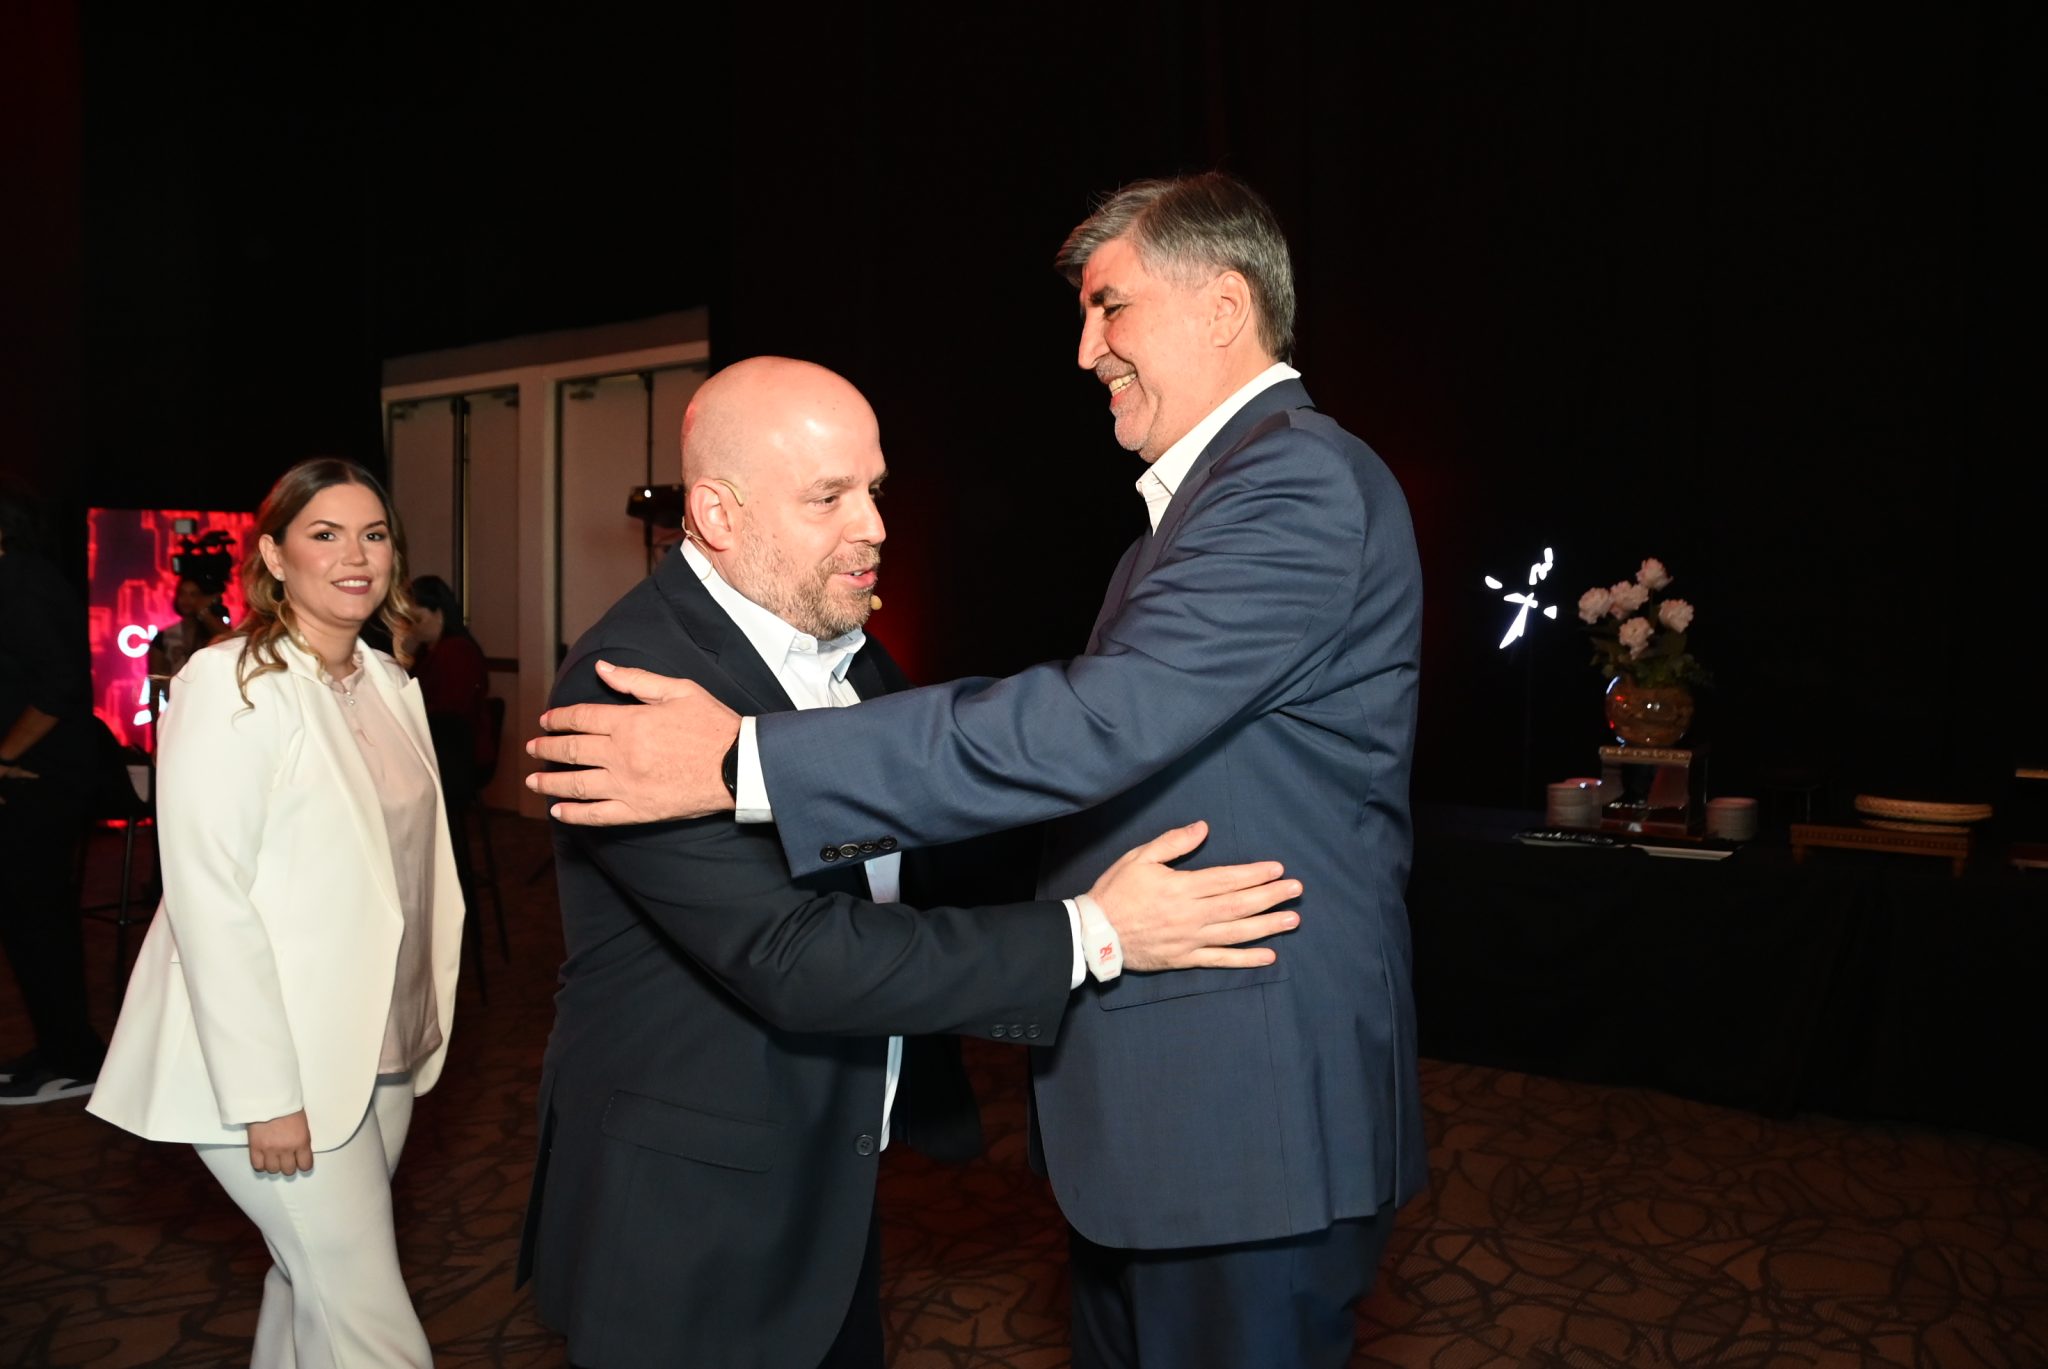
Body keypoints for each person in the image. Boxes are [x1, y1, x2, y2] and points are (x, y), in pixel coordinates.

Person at [527, 173, 1427, 1368]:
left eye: (1109, 306)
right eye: (829, 496)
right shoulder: (635, 693)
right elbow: (808, 945)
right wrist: (1091, 933)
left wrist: (746, 760)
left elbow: (1089, 730)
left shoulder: (1287, 483)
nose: (1084, 349)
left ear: (1222, 307)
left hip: (1238, 1119)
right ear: (719, 514)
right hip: (704, 1223)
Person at [88, 458, 466, 1367]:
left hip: (381, 1043)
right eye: (324, 534)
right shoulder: (232, 683)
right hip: (273, 1067)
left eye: (373, 534)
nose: (355, 556)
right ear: (273, 555)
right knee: (370, 1322)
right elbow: (209, 897)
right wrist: (267, 1097)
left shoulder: (389, 681)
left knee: (310, 1282)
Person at [0, 491, 108, 1105]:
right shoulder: (19, 577)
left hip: (39, 777)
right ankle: (57, 1047)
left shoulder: (21, 579)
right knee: (27, 918)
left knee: (38, 918)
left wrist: (4, 755)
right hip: (31, 775)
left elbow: (59, 684)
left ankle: (74, 1056)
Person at [145, 570, 230, 713]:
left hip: (210, 705)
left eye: (193, 595)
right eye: (182, 593)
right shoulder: (164, 637)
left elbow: (232, 639)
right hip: (177, 707)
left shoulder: (213, 632)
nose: (186, 600)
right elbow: (155, 683)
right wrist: (154, 721)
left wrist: (204, 613)